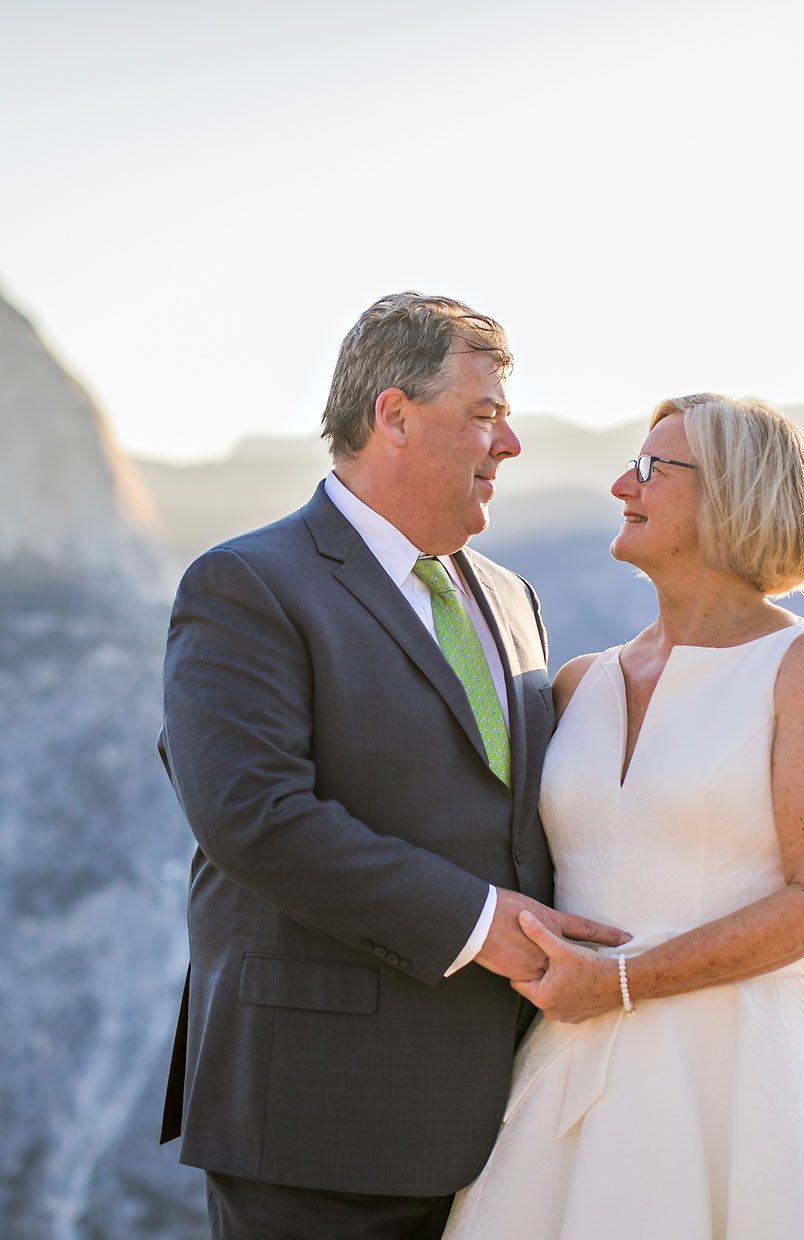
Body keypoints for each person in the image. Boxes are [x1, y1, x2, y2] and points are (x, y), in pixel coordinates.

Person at [441, 394, 804, 1239]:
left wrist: (620, 982)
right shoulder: (576, 684)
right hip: (572, 1068)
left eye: (656, 467)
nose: (624, 482)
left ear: (736, 495)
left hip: (758, 1078)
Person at [157, 293, 630, 1239]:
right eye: (487, 414)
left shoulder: (509, 595)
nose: (511, 446)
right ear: (395, 414)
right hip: (324, 1119)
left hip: (519, 1116)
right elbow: (256, 818)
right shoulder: (246, 586)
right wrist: (486, 926)